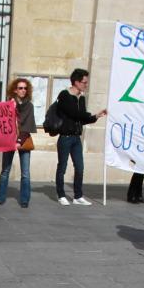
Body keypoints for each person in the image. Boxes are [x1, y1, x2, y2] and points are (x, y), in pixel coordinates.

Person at [54, 68, 106, 206]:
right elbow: (74, 113)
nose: (86, 85)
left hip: (76, 138)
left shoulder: (81, 98)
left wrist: (96, 116)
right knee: (62, 167)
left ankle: (78, 196)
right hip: (65, 137)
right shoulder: (64, 95)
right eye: (84, 82)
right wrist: (89, 115)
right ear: (76, 82)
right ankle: (60, 194)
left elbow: (82, 119)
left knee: (80, 167)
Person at [0, 77, 36, 207]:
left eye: (25, 88)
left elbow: (27, 126)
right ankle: (0, 197)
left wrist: (19, 141)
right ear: (15, 90)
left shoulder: (29, 105)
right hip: (9, 141)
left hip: (23, 140)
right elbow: (4, 122)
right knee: (5, 170)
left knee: (25, 173)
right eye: (20, 88)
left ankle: (24, 200)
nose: (23, 90)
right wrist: (12, 107)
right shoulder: (9, 104)